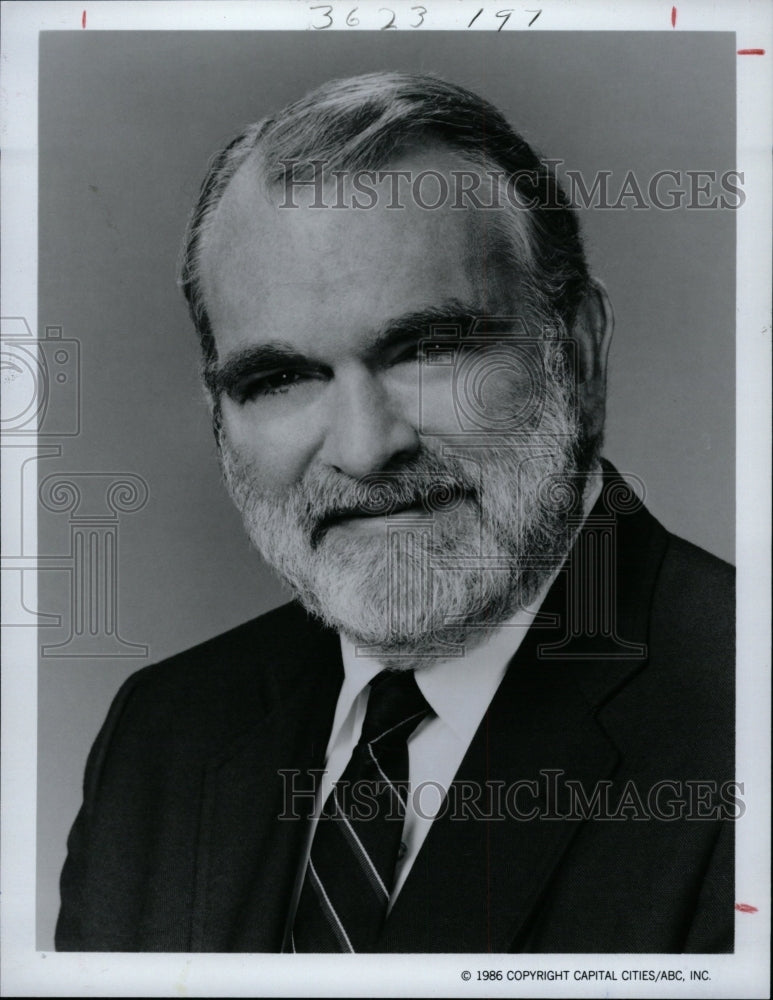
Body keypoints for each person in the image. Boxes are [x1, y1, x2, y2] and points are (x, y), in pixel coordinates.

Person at [55, 72, 735, 953]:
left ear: (577, 351)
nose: (365, 449)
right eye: (281, 378)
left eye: (429, 348)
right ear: (220, 413)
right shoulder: (166, 731)